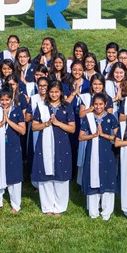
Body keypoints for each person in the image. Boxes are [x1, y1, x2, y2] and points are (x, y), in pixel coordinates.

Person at [32, 79, 75, 216]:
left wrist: (57, 123)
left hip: (62, 144)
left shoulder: (66, 106)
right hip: (44, 144)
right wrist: (46, 124)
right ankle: (47, 206)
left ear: (61, 92)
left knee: (61, 174)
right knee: (46, 174)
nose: (54, 94)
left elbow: (72, 129)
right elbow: (34, 126)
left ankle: (60, 206)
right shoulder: (41, 106)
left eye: (57, 92)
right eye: (52, 92)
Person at [78, 93, 118, 220]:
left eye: (101, 104)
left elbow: (117, 138)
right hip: (92, 152)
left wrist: (104, 135)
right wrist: (93, 135)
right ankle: (93, 211)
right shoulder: (88, 118)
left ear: (106, 104)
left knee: (107, 177)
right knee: (93, 175)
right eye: (96, 104)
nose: (98, 107)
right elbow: (80, 137)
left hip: (107, 152)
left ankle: (106, 211)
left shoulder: (111, 117)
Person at [0, 88, 26, 212]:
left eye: (7, 100)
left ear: (11, 99)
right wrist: (1, 123)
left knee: (14, 172)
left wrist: (8, 121)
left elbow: (22, 130)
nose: (4, 102)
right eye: (2, 100)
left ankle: (15, 204)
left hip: (13, 147)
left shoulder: (17, 111)